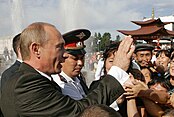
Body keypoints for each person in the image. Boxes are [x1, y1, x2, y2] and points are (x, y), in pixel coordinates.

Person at [1, 22, 135, 117]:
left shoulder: (27, 78)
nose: (64, 54)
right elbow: (79, 112)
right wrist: (118, 69)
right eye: (59, 47)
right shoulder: (27, 83)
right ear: (36, 49)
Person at [52, 29, 90, 100]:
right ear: (62, 57)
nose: (80, 63)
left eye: (82, 58)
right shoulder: (60, 83)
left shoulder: (77, 78)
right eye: (75, 58)